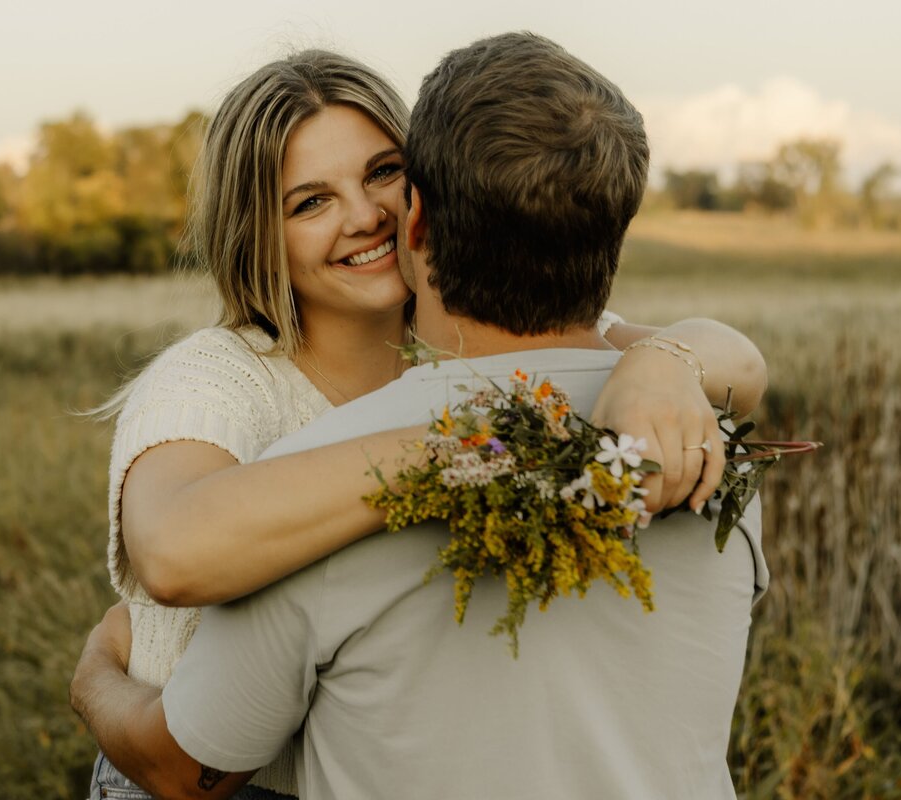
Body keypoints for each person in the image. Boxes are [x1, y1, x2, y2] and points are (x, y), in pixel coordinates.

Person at [78, 42, 768, 800]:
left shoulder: (491, 325)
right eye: (311, 202)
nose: (365, 215)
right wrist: (471, 449)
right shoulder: (218, 377)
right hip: (207, 768)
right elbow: (174, 555)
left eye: (383, 174)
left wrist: (664, 363)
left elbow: (737, 362)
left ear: (425, 205)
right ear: (258, 235)